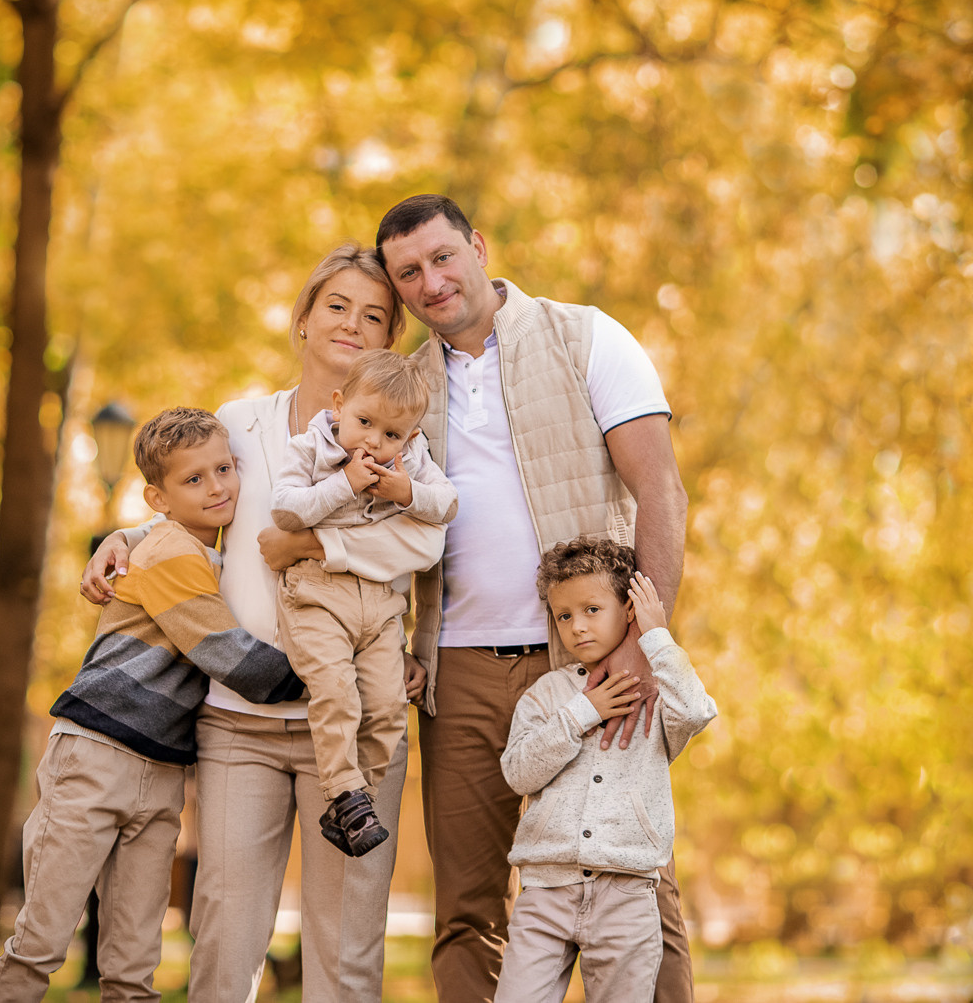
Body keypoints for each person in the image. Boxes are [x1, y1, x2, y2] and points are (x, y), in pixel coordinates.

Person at [81, 244, 437, 1003]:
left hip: (352, 724)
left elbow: (424, 541)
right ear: (302, 320)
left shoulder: (403, 446)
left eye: (375, 316)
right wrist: (128, 538)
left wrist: (308, 542)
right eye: (336, 305)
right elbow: (193, 507)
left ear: (388, 344)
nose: (352, 323)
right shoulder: (243, 423)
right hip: (238, 727)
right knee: (223, 941)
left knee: (347, 953)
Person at [375, 192, 697, 1003]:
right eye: (408, 272)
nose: (431, 281)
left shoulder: (584, 335)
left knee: (636, 883)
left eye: (443, 256)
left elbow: (659, 489)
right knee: (468, 910)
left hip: (590, 660)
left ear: (478, 247)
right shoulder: (405, 387)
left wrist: (637, 642)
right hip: (459, 671)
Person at [0, 408, 304, 1003]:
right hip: (95, 758)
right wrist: (338, 678)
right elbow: (227, 654)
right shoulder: (167, 552)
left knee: (133, 965)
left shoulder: (207, 554)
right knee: (41, 943)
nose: (217, 487)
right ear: (158, 496)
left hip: (160, 772)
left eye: (224, 469)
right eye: (194, 480)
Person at [494, 539, 716, 1003]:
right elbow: (518, 772)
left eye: (592, 609)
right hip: (545, 893)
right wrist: (582, 713)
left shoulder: (655, 693)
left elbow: (696, 711)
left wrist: (656, 638)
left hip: (627, 893)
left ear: (629, 610)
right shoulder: (547, 695)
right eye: (565, 616)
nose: (577, 627)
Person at [269, 348, 457, 857]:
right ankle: (345, 792)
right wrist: (344, 483)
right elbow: (286, 513)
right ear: (339, 405)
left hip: (380, 606)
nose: (374, 441)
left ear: (411, 437)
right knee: (336, 694)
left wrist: (407, 491)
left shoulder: (411, 462)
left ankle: (355, 804)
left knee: (389, 709)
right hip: (316, 593)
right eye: (364, 422)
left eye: (392, 434)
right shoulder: (312, 446)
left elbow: (447, 507)